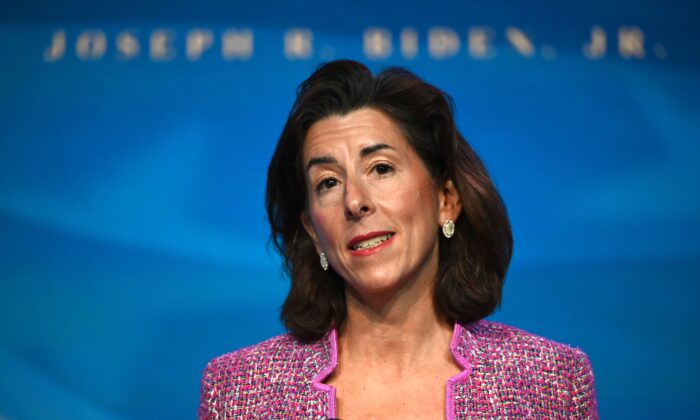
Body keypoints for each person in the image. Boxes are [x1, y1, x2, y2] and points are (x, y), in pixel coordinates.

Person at [199, 60, 598, 419]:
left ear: (446, 200)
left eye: (381, 168)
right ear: (312, 231)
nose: (355, 201)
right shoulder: (237, 394)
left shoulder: (551, 384)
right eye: (329, 182)